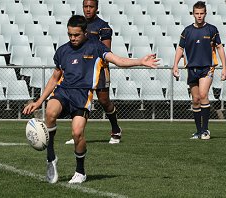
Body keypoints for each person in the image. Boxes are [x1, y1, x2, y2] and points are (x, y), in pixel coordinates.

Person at [23, 15, 158, 184]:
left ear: (85, 32)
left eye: (76, 35)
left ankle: (80, 171)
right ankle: (51, 158)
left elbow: (118, 61)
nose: (72, 38)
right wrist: (38, 101)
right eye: (70, 34)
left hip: (82, 96)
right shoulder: (63, 50)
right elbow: (54, 78)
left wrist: (140, 61)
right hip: (63, 92)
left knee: (77, 133)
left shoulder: (95, 47)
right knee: (50, 112)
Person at [65, 0, 121, 145]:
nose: (88, 9)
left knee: (104, 101)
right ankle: (77, 134)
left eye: (91, 7)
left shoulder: (103, 27)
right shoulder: (79, 25)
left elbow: (105, 51)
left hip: (99, 69)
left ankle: (116, 129)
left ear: (96, 8)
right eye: (85, 6)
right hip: (82, 70)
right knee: (79, 101)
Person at [173, 1, 226, 140]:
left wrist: (224, 68)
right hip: (192, 68)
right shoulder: (187, 31)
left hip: (207, 68)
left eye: (201, 13)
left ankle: (205, 130)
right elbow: (180, 48)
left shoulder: (212, 30)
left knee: (203, 95)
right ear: (193, 14)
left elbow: (220, 47)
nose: (199, 16)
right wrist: (175, 65)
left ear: (205, 13)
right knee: (195, 100)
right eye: (197, 13)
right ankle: (198, 131)